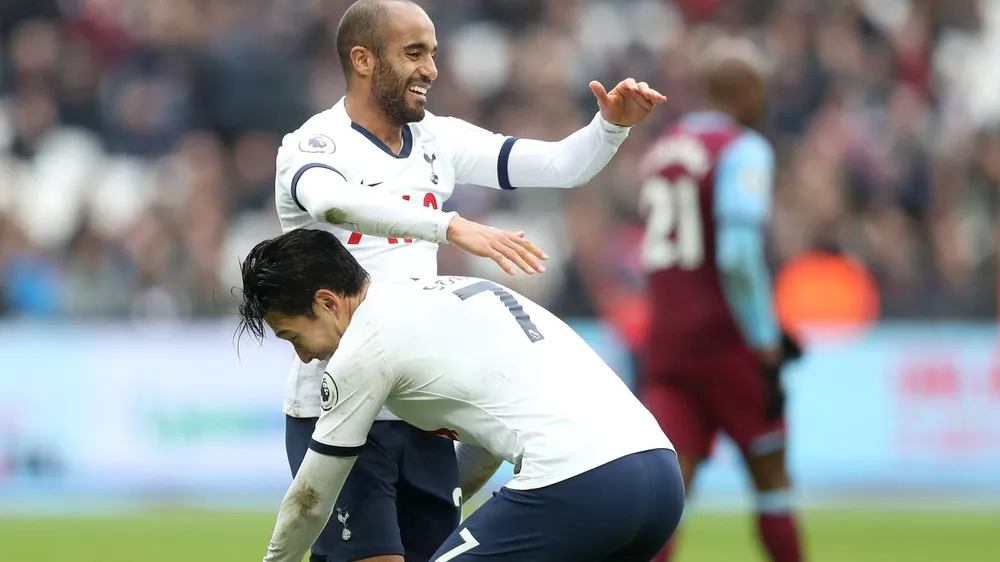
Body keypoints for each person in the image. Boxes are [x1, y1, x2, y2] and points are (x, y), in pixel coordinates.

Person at [274, 1, 668, 561]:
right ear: (362, 60)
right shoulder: (314, 145)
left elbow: (559, 165)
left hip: (425, 405)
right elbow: (332, 204)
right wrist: (449, 226)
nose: (432, 69)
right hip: (340, 401)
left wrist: (608, 129)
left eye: (432, 53)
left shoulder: (439, 138)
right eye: (414, 53)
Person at [236, 228, 684, 562]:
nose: (306, 358)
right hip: (661, 478)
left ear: (328, 302)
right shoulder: (446, 294)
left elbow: (311, 500)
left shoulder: (365, 347)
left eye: (294, 336)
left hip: (578, 486)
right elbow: (489, 448)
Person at [635, 38, 804, 562]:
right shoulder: (743, 148)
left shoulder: (661, 151)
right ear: (746, 91)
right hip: (729, 346)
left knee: (669, 495)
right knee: (772, 482)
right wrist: (766, 339)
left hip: (668, 345)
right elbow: (735, 255)